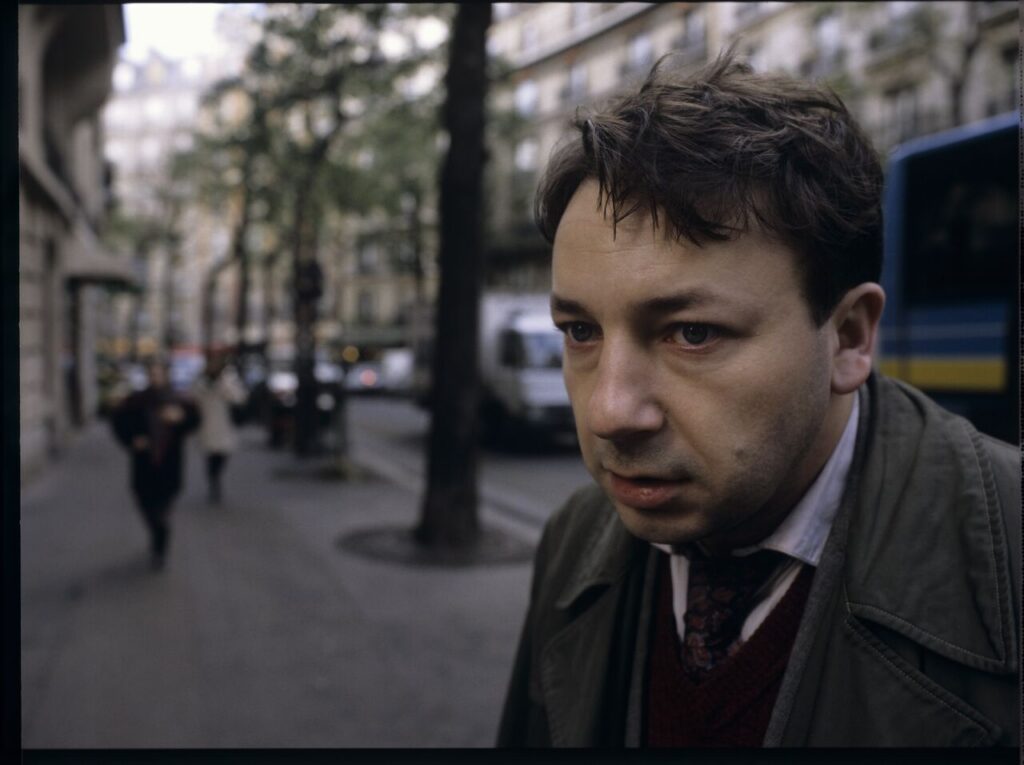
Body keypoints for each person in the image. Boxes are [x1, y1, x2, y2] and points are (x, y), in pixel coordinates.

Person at [496, 50, 1020, 748]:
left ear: (848, 337)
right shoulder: (573, 540)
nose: (607, 412)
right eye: (581, 330)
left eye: (692, 333)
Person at [111, 357, 200, 570]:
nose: (155, 378)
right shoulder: (136, 401)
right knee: (145, 505)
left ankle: (160, 545)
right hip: (144, 466)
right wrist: (132, 440)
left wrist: (180, 419)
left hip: (169, 465)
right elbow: (118, 422)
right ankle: (157, 534)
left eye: (159, 373)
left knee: (163, 509)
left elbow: (195, 421)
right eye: (152, 374)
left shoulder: (179, 400)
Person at [192, 351, 247, 505]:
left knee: (222, 455)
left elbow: (239, 397)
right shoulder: (200, 382)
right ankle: (214, 483)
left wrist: (225, 387)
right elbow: (193, 398)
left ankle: (215, 479)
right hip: (207, 424)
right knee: (211, 457)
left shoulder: (227, 380)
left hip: (224, 424)